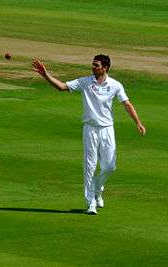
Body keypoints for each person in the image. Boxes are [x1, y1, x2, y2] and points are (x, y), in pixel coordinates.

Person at [32, 54, 146, 215]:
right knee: (90, 166)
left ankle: (98, 188)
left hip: (107, 129)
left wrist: (138, 123)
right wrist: (45, 75)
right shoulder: (85, 82)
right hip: (90, 129)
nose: (93, 67)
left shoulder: (115, 85)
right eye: (92, 65)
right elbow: (62, 87)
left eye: (96, 65)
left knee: (110, 166)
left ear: (105, 67)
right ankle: (91, 202)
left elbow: (127, 104)